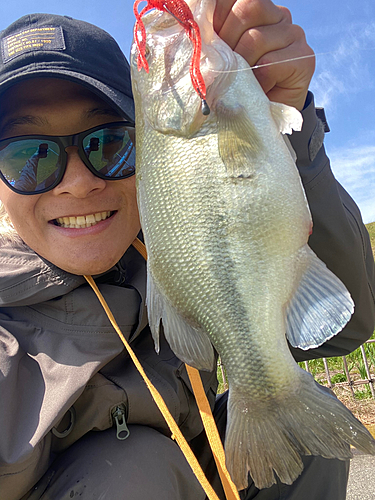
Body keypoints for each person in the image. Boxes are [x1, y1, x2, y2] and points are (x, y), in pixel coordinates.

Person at [0, 2, 373, 500]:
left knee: (303, 443)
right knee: (133, 472)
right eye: (29, 156)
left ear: (148, 152)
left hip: (205, 462)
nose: (77, 183)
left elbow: (347, 331)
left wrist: (294, 138)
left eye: (110, 144)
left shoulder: (169, 254)